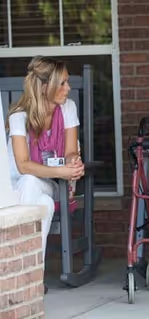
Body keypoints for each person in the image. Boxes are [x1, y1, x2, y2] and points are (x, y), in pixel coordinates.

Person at [6, 56, 85, 293]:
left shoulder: (67, 108)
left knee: (38, 189)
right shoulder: (19, 115)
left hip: (50, 182)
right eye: (62, 83)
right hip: (16, 187)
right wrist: (60, 171)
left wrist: (73, 163)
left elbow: (70, 150)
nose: (68, 89)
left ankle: (21, 274)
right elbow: (23, 165)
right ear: (44, 87)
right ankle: (33, 277)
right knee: (44, 204)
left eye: (67, 82)